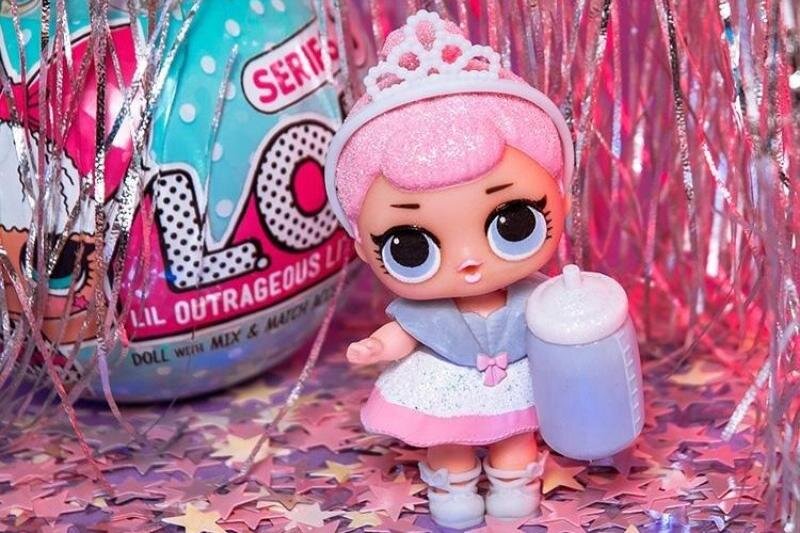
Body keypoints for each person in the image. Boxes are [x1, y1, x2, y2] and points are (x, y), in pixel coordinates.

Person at [324, 10, 574, 528]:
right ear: (363, 248)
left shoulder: (538, 296)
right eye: (410, 246)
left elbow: (562, 327)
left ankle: (515, 483)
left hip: (516, 385)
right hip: (444, 386)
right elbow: (402, 335)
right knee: (448, 446)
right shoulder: (426, 314)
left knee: (516, 438)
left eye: (513, 222)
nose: (468, 260)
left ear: (561, 202)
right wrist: (376, 348)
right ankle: (454, 491)